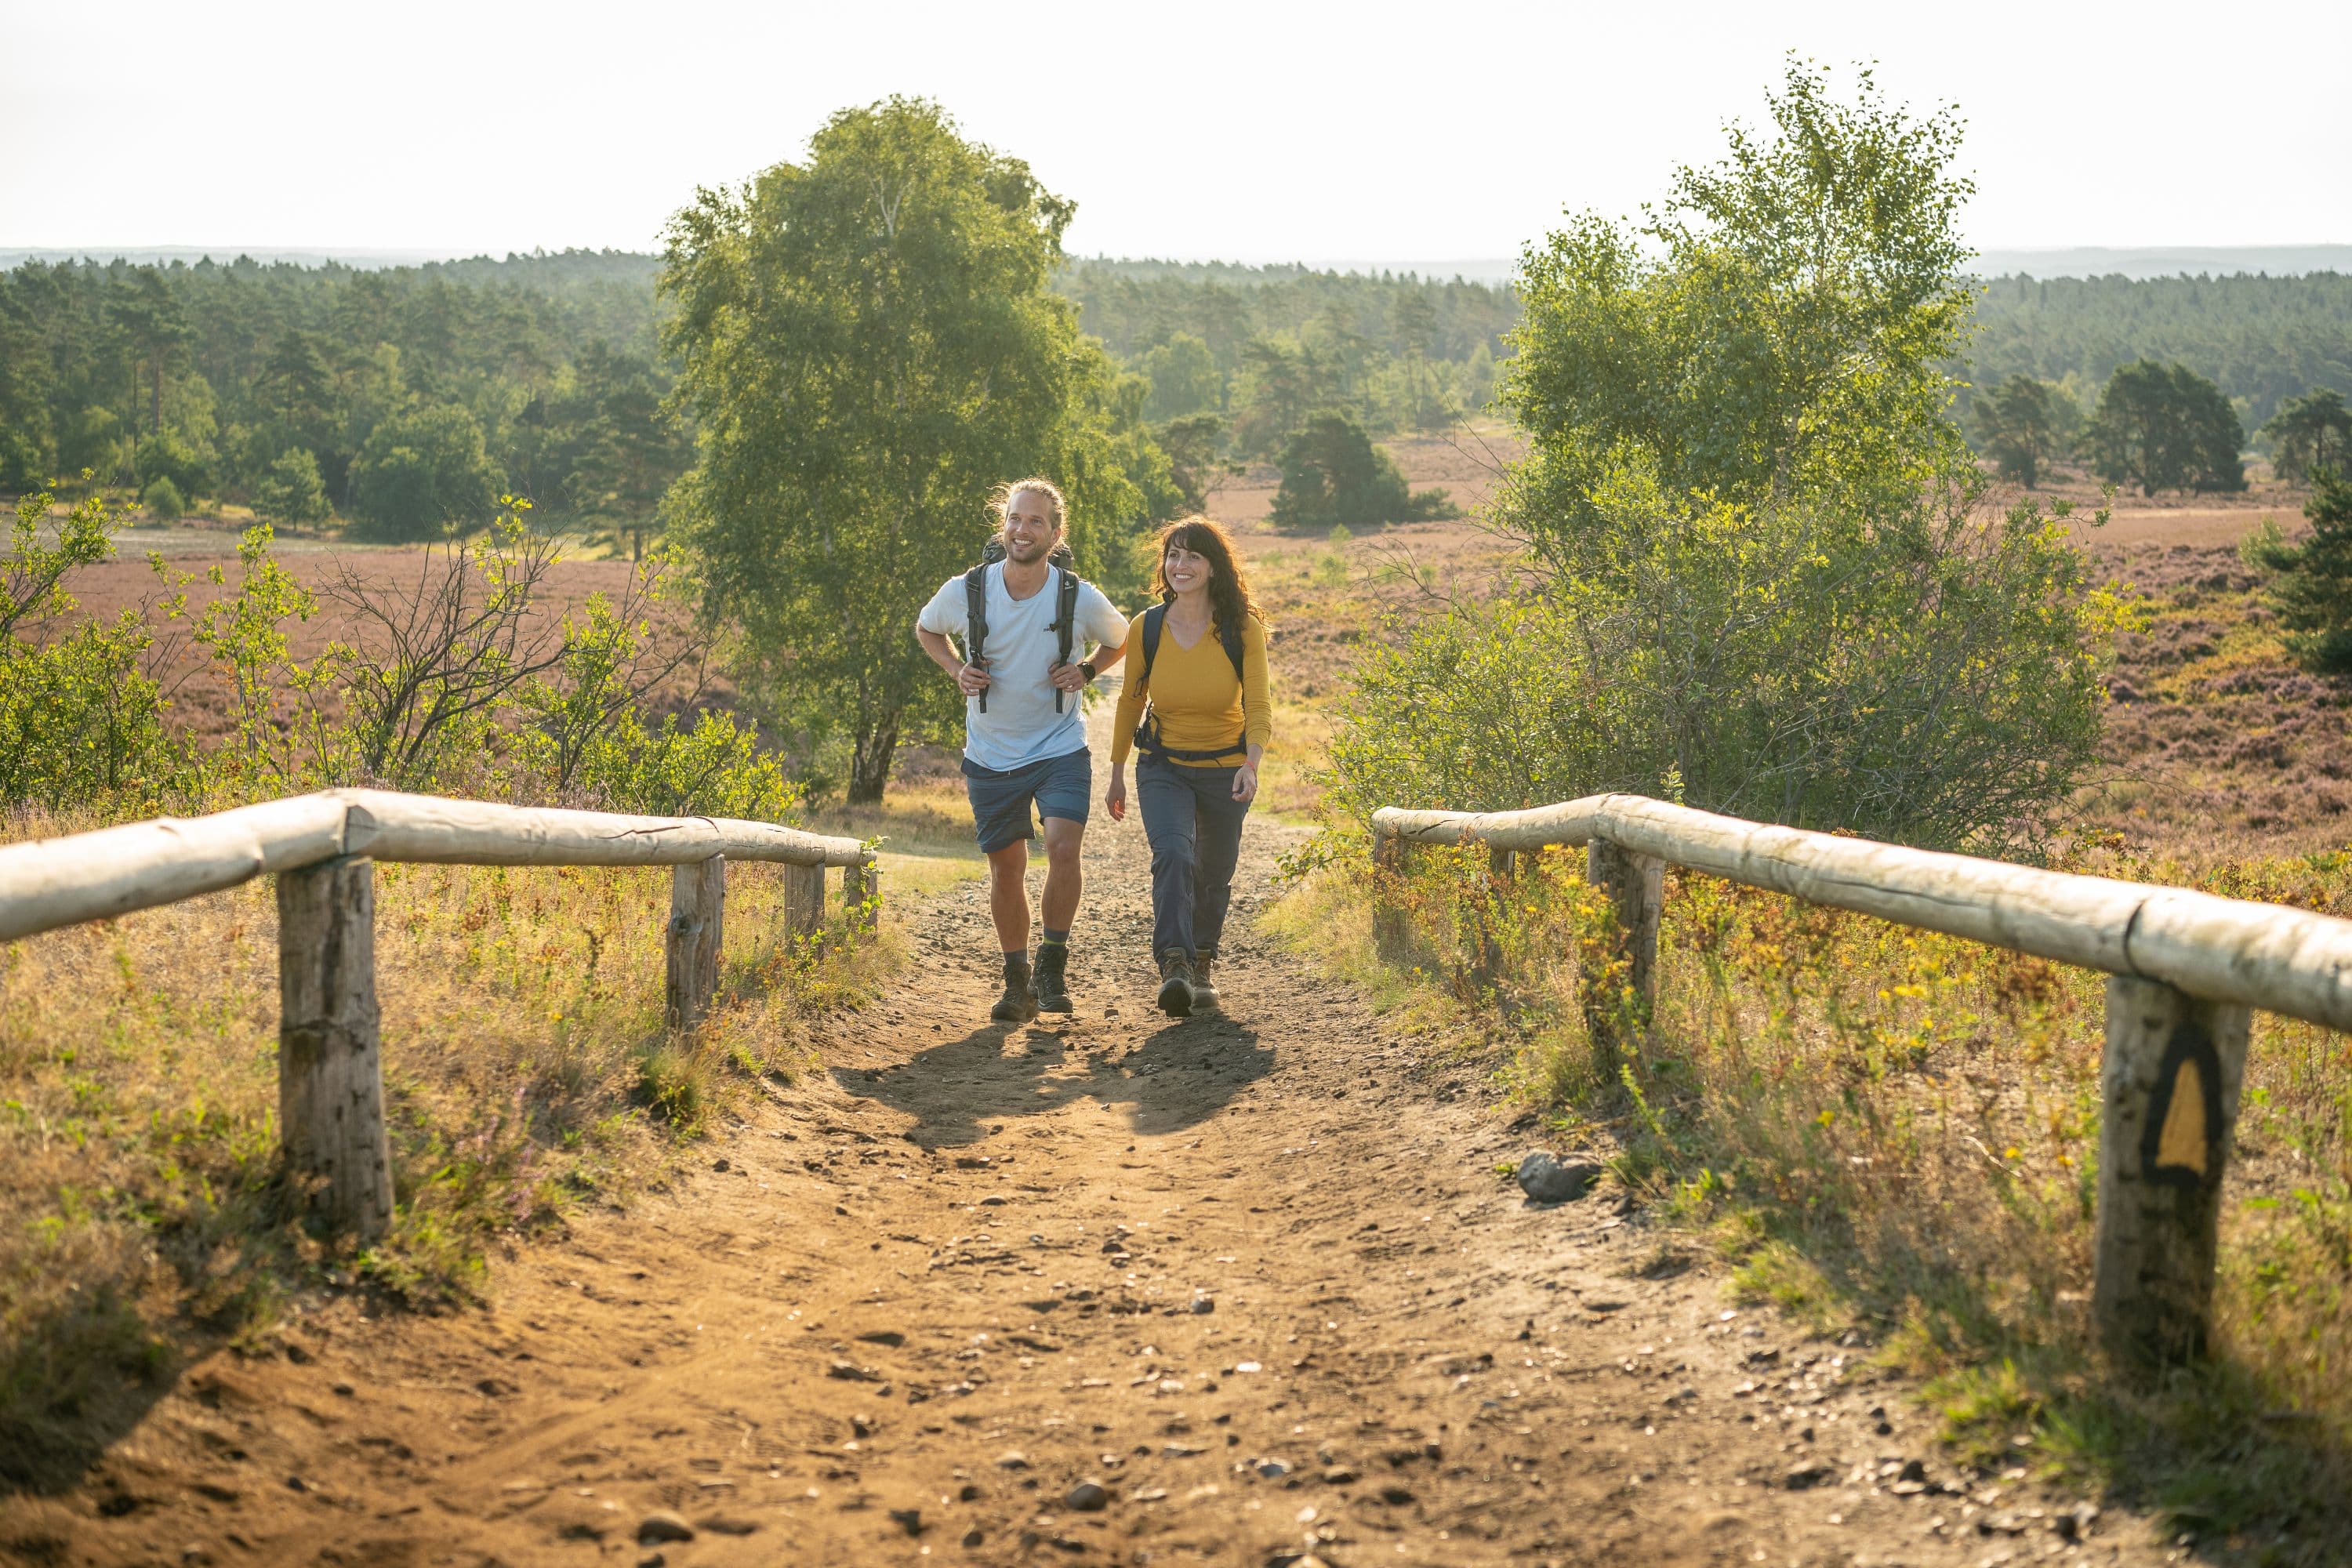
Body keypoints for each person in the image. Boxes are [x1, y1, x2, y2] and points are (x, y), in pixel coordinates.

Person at [916, 479, 1130, 1022]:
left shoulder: (1076, 594)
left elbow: (1121, 638)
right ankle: (1017, 981)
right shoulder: (965, 591)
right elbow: (926, 630)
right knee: (1006, 870)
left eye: (1035, 522)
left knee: (1062, 848)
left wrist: (1086, 671)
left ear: (1055, 535)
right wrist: (954, 670)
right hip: (989, 754)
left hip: (1060, 747)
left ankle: (1052, 964)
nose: (1022, 530)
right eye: (1015, 519)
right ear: (1002, 525)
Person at [1105, 516, 1271, 1017]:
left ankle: (1201, 964)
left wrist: (1252, 764)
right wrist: (1116, 770)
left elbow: (1259, 706)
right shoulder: (1147, 627)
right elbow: (1131, 703)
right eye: (1174, 555)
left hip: (1225, 768)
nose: (1181, 565)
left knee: (1214, 870)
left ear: (1214, 566)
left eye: (1193, 556)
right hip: (1164, 765)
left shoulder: (1243, 629)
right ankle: (1173, 964)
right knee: (1174, 854)